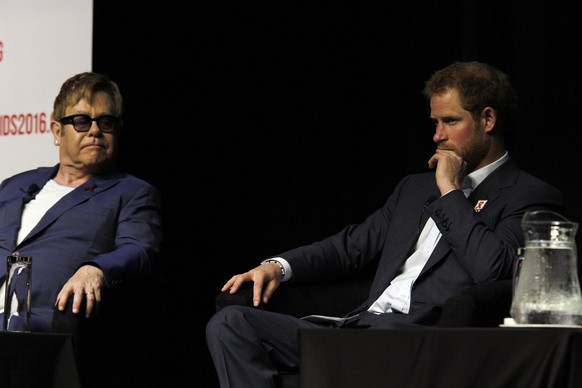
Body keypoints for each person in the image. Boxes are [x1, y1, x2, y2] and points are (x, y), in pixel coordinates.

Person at [205, 61, 564, 387]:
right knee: (231, 324)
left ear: (488, 120)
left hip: (419, 339)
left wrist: (450, 191)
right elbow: (351, 246)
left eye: (451, 122)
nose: (438, 134)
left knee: (377, 340)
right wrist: (278, 267)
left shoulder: (530, 196)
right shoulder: (414, 187)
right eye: (435, 122)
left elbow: (492, 269)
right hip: (358, 327)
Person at [0, 72, 162, 332]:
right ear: (57, 130)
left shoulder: (132, 192)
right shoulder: (13, 185)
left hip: (39, 326)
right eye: (81, 121)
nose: (95, 130)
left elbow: (139, 249)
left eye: (106, 122)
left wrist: (95, 269)